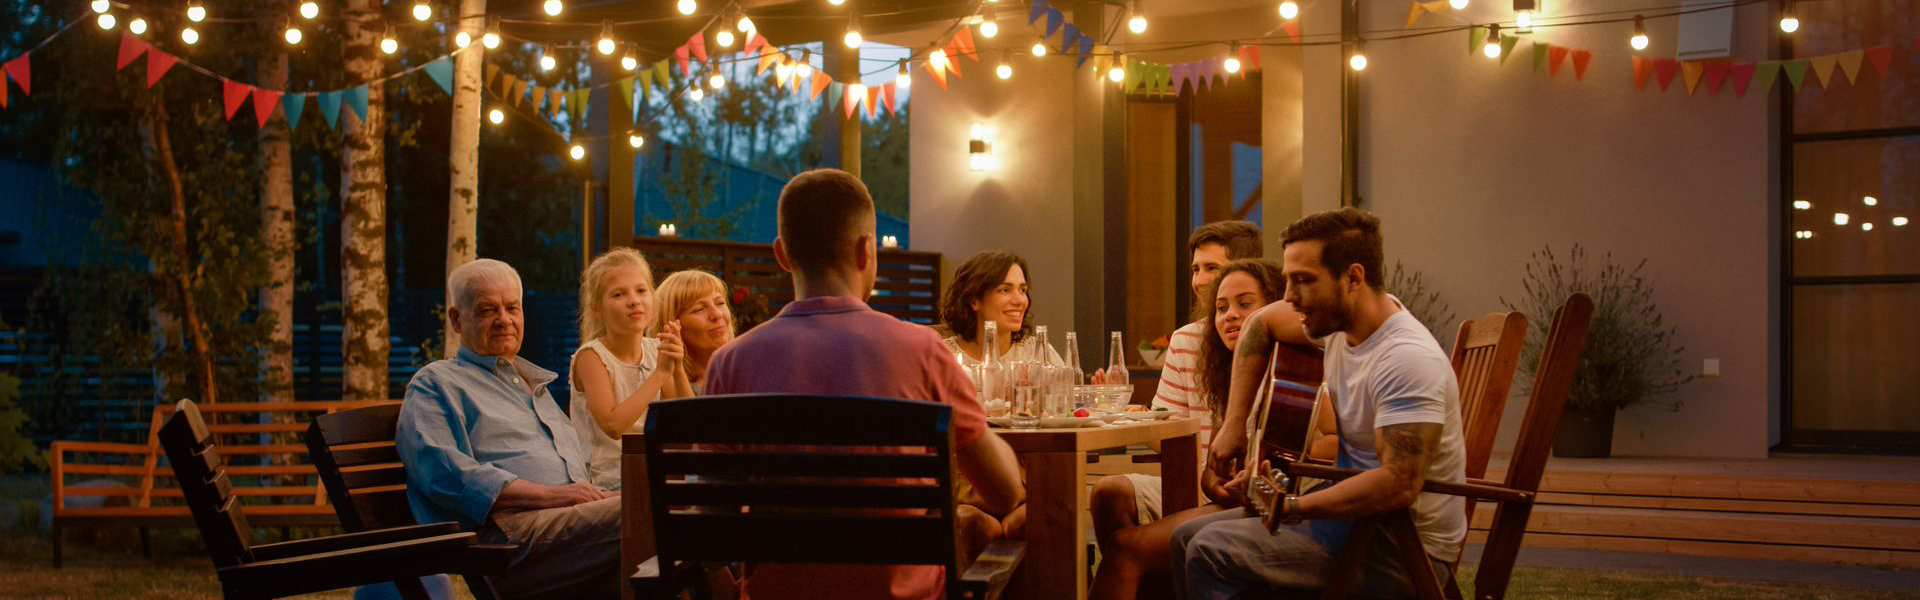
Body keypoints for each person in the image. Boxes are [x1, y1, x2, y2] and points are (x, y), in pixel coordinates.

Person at [703, 168, 1026, 600]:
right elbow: (1005, 492)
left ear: (782, 254)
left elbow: (710, 520)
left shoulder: (729, 364)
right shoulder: (923, 351)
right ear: (865, 250)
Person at [1176, 208, 1468, 599]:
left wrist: (1295, 505)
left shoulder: (1405, 359)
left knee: (1210, 552)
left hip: (1397, 546)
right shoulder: (1341, 326)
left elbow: (1399, 483)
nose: (1290, 297)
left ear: (1353, 277)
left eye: (1304, 281)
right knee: (1183, 537)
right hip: (1354, 524)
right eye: (1288, 280)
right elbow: (1259, 324)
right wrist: (1233, 426)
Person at [1088, 259, 1312, 600]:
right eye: (1221, 308)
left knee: (1124, 549)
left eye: (1245, 304)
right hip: (1239, 498)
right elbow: (1212, 464)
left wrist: (1253, 482)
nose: (1230, 315)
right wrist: (1215, 477)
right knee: (1110, 496)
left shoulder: (1294, 372)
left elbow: (1307, 456)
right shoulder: (1222, 366)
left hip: (1280, 507)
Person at [397, 258, 620, 599]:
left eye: (512, 307)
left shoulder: (534, 388)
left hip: (568, 533)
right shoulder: (436, 383)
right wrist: (551, 495)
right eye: (488, 309)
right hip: (504, 545)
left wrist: (602, 494)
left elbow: (578, 482)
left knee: (673, 515)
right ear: (457, 319)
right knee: (652, 511)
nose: (504, 319)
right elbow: (442, 470)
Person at [1089, 221, 1265, 559]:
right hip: (1193, 484)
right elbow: (1165, 433)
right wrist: (1120, 407)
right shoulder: (1186, 340)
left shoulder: (1277, 339)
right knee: (1109, 491)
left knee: (1128, 551)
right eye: (1195, 269)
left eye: (1211, 268)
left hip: (1245, 489)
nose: (1198, 280)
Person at [569, 248, 691, 491]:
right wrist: (660, 374)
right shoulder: (591, 357)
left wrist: (676, 367)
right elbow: (614, 426)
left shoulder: (655, 350)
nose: (634, 300)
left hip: (654, 471)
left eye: (641, 290)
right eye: (618, 294)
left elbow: (688, 420)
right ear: (596, 306)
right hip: (606, 482)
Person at [937, 251, 1061, 365]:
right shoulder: (941, 357)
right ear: (974, 300)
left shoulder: (1039, 353)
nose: (1019, 301)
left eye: (1022, 290)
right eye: (1005, 290)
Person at [652, 268, 735, 394]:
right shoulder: (663, 387)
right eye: (698, 309)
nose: (717, 314)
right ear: (671, 326)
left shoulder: (746, 372)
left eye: (720, 303)